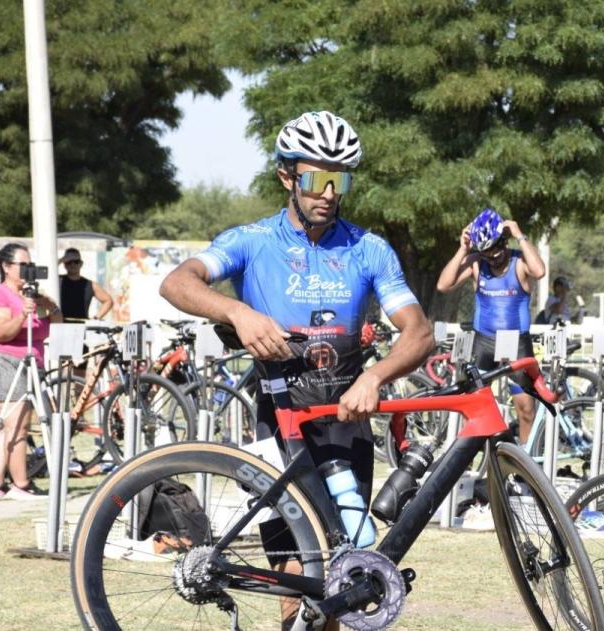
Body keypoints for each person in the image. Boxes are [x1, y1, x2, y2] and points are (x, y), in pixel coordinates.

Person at [159, 109, 433, 532]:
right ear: (287, 177)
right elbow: (177, 282)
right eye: (314, 180)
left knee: (352, 551)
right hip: (278, 412)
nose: (327, 193)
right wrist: (239, 312)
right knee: (291, 560)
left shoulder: (369, 249)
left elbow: (419, 332)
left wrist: (375, 377)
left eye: (338, 181)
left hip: (347, 416)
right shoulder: (251, 241)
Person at [436, 208, 546, 443]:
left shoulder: (519, 261)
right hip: (484, 342)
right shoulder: (477, 263)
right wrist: (463, 249)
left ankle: (525, 465)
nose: (494, 256)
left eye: (497, 249)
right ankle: (477, 457)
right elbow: (444, 285)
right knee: (474, 405)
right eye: (487, 253)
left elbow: (540, 271)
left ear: (504, 241)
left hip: (516, 342)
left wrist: (520, 235)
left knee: (525, 408)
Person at [0, 243, 62, 499]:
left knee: (8, 426)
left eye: (30, 265)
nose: (28, 270)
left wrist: (51, 306)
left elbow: (55, 326)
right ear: (6, 267)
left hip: (31, 363)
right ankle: (20, 484)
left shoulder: (31, 297)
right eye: (23, 265)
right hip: (5, 363)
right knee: (16, 426)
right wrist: (22, 315)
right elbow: (2, 333)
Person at [58, 247, 113, 321]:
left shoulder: (90, 284)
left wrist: (96, 318)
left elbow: (108, 301)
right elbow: (47, 270)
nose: (73, 264)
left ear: (81, 264)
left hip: (82, 327)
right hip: (60, 325)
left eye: (76, 261)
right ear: (64, 264)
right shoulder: (57, 280)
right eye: (69, 262)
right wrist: (61, 260)